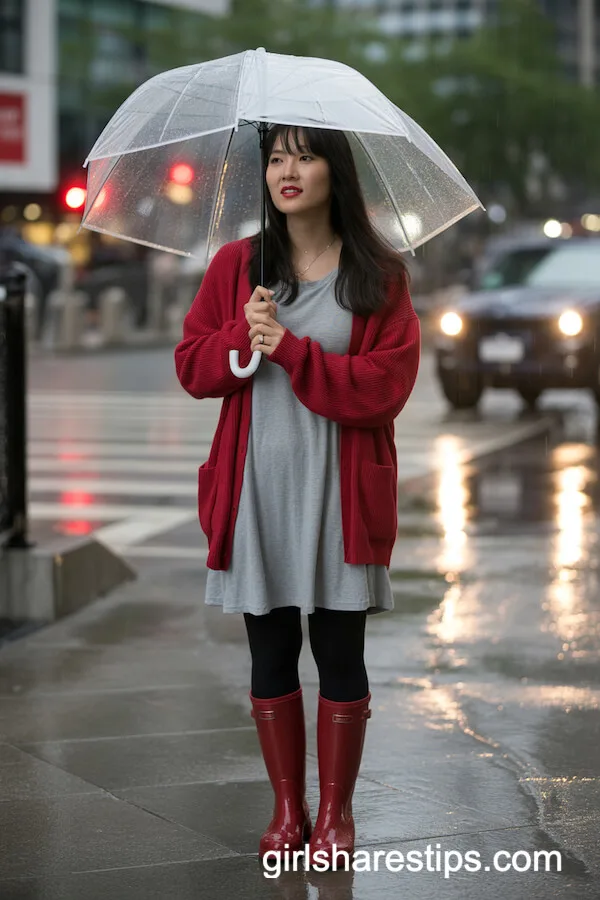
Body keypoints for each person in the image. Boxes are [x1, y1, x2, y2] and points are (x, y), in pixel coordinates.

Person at [174, 124, 421, 866]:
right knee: (271, 646)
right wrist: (239, 346)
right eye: (276, 156)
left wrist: (295, 351)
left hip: (339, 491)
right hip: (258, 486)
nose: (288, 170)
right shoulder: (237, 265)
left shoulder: (379, 274)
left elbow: (386, 388)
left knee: (340, 648)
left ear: (332, 170)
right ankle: (289, 810)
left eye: (304, 155)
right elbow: (191, 365)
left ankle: (336, 817)